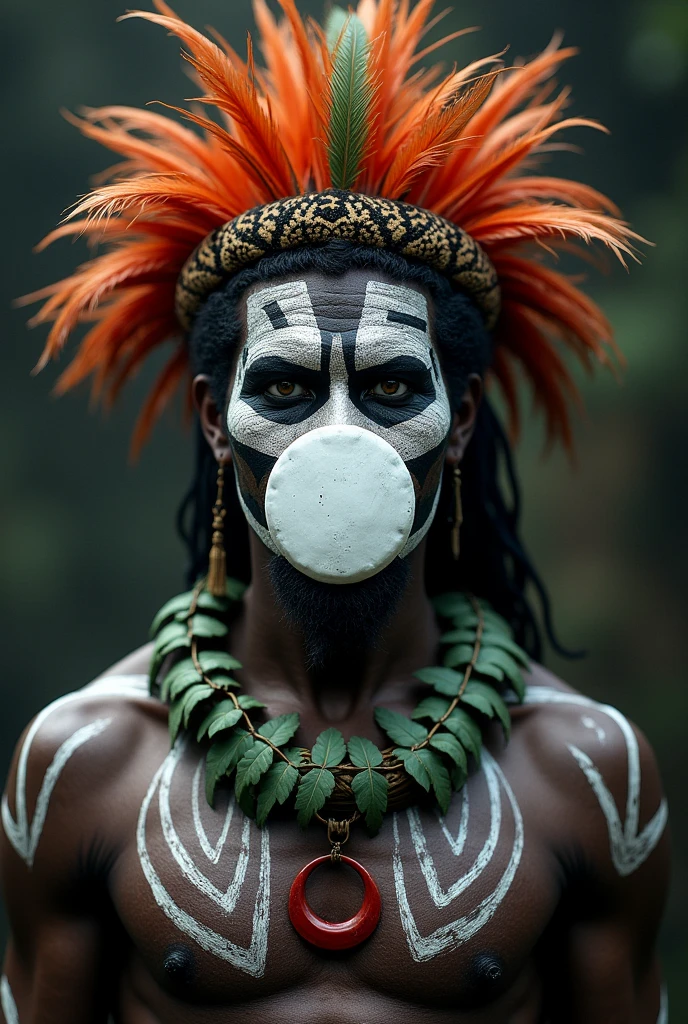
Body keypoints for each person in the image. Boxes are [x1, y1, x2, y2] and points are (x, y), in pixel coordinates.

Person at [1, 1, 670, 1021]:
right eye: (283, 389)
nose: (336, 437)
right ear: (214, 422)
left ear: (461, 421)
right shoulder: (84, 763)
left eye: (394, 389)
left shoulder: (587, 775)